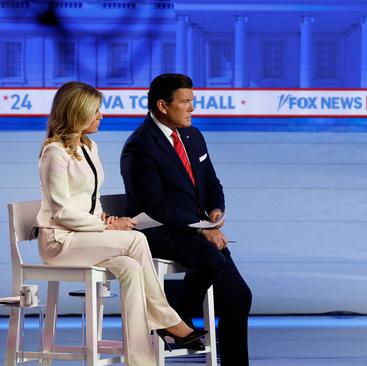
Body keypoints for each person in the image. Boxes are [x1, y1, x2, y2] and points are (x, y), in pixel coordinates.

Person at [36, 82, 206, 365]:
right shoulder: (54, 152)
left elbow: (90, 200)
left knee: (129, 267)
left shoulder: (89, 146)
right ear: (77, 113)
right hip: (60, 241)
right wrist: (106, 227)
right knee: (137, 240)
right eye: (95, 111)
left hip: (86, 238)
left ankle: (141, 360)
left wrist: (107, 219)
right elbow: (61, 211)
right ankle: (168, 321)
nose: (101, 116)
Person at [120, 73, 252, 365]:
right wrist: (202, 228)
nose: (192, 108)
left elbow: (211, 182)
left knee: (239, 297)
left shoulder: (193, 136)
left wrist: (215, 211)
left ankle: (171, 313)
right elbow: (155, 206)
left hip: (196, 232)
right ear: (163, 106)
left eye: (193, 101)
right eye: (186, 102)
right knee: (212, 260)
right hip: (159, 231)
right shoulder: (140, 146)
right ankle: (174, 322)